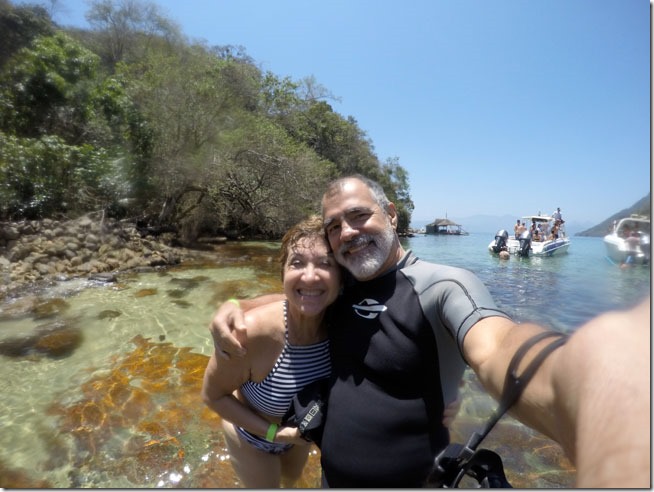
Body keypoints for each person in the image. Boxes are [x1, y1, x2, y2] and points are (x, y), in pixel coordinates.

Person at [209, 175, 650, 487]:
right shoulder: (343, 287)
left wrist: (585, 388)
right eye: (334, 226)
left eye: (359, 215)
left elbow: (496, 345)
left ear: (392, 215)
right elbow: (294, 298)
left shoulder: (443, 286)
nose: (347, 232)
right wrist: (234, 305)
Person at [201, 216, 341, 487]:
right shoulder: (251, 333)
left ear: (341, 278)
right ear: (283, 276)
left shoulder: (342, 325)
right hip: (251, 439)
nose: (309, 276)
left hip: (298, 438)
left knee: (292, 480)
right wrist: (274, 434)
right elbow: (212, 396)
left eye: (326, 263)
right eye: (297, 263)